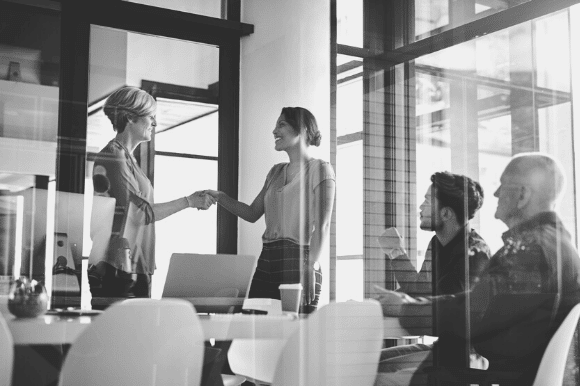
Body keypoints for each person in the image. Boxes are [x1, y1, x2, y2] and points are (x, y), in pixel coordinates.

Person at [378, 152, 580, 385]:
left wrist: (405, 308)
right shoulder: (552, 245)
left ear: (522, 195)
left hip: (496, 375)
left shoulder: (531, 250)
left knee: (372, 378)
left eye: (503, 185)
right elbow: (479, 306)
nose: (495, 193)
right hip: (503, 370)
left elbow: (472, 312)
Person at [88, 86, 215, 301]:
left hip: (134, 265)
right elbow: (138, 214)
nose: (155, 123)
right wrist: (189, 201)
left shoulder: (128, 158)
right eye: (151, 117)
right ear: (130, 117)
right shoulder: (114, 156)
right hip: (118, 268)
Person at [205, 107, 335, 314]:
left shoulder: (320, 169)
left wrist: (311, 266)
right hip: (267, 259)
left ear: (301, 128)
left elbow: (323, 224)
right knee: (255, 328)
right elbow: (252, 213)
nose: (274, 131)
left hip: (300, 259)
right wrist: (221, 197)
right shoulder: (275, 172)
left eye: (281, 124)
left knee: (296, 332)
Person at [377, 172, 491, 377]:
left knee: (373, 376)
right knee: (372, 364)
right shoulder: (437, 243)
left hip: (467, 358)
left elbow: (453, 319)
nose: (420, 207)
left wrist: (402, 305)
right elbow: (422, 288)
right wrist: (396, 252)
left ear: (446, 213)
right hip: (448, 347)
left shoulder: (475, 254)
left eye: (428, 201)